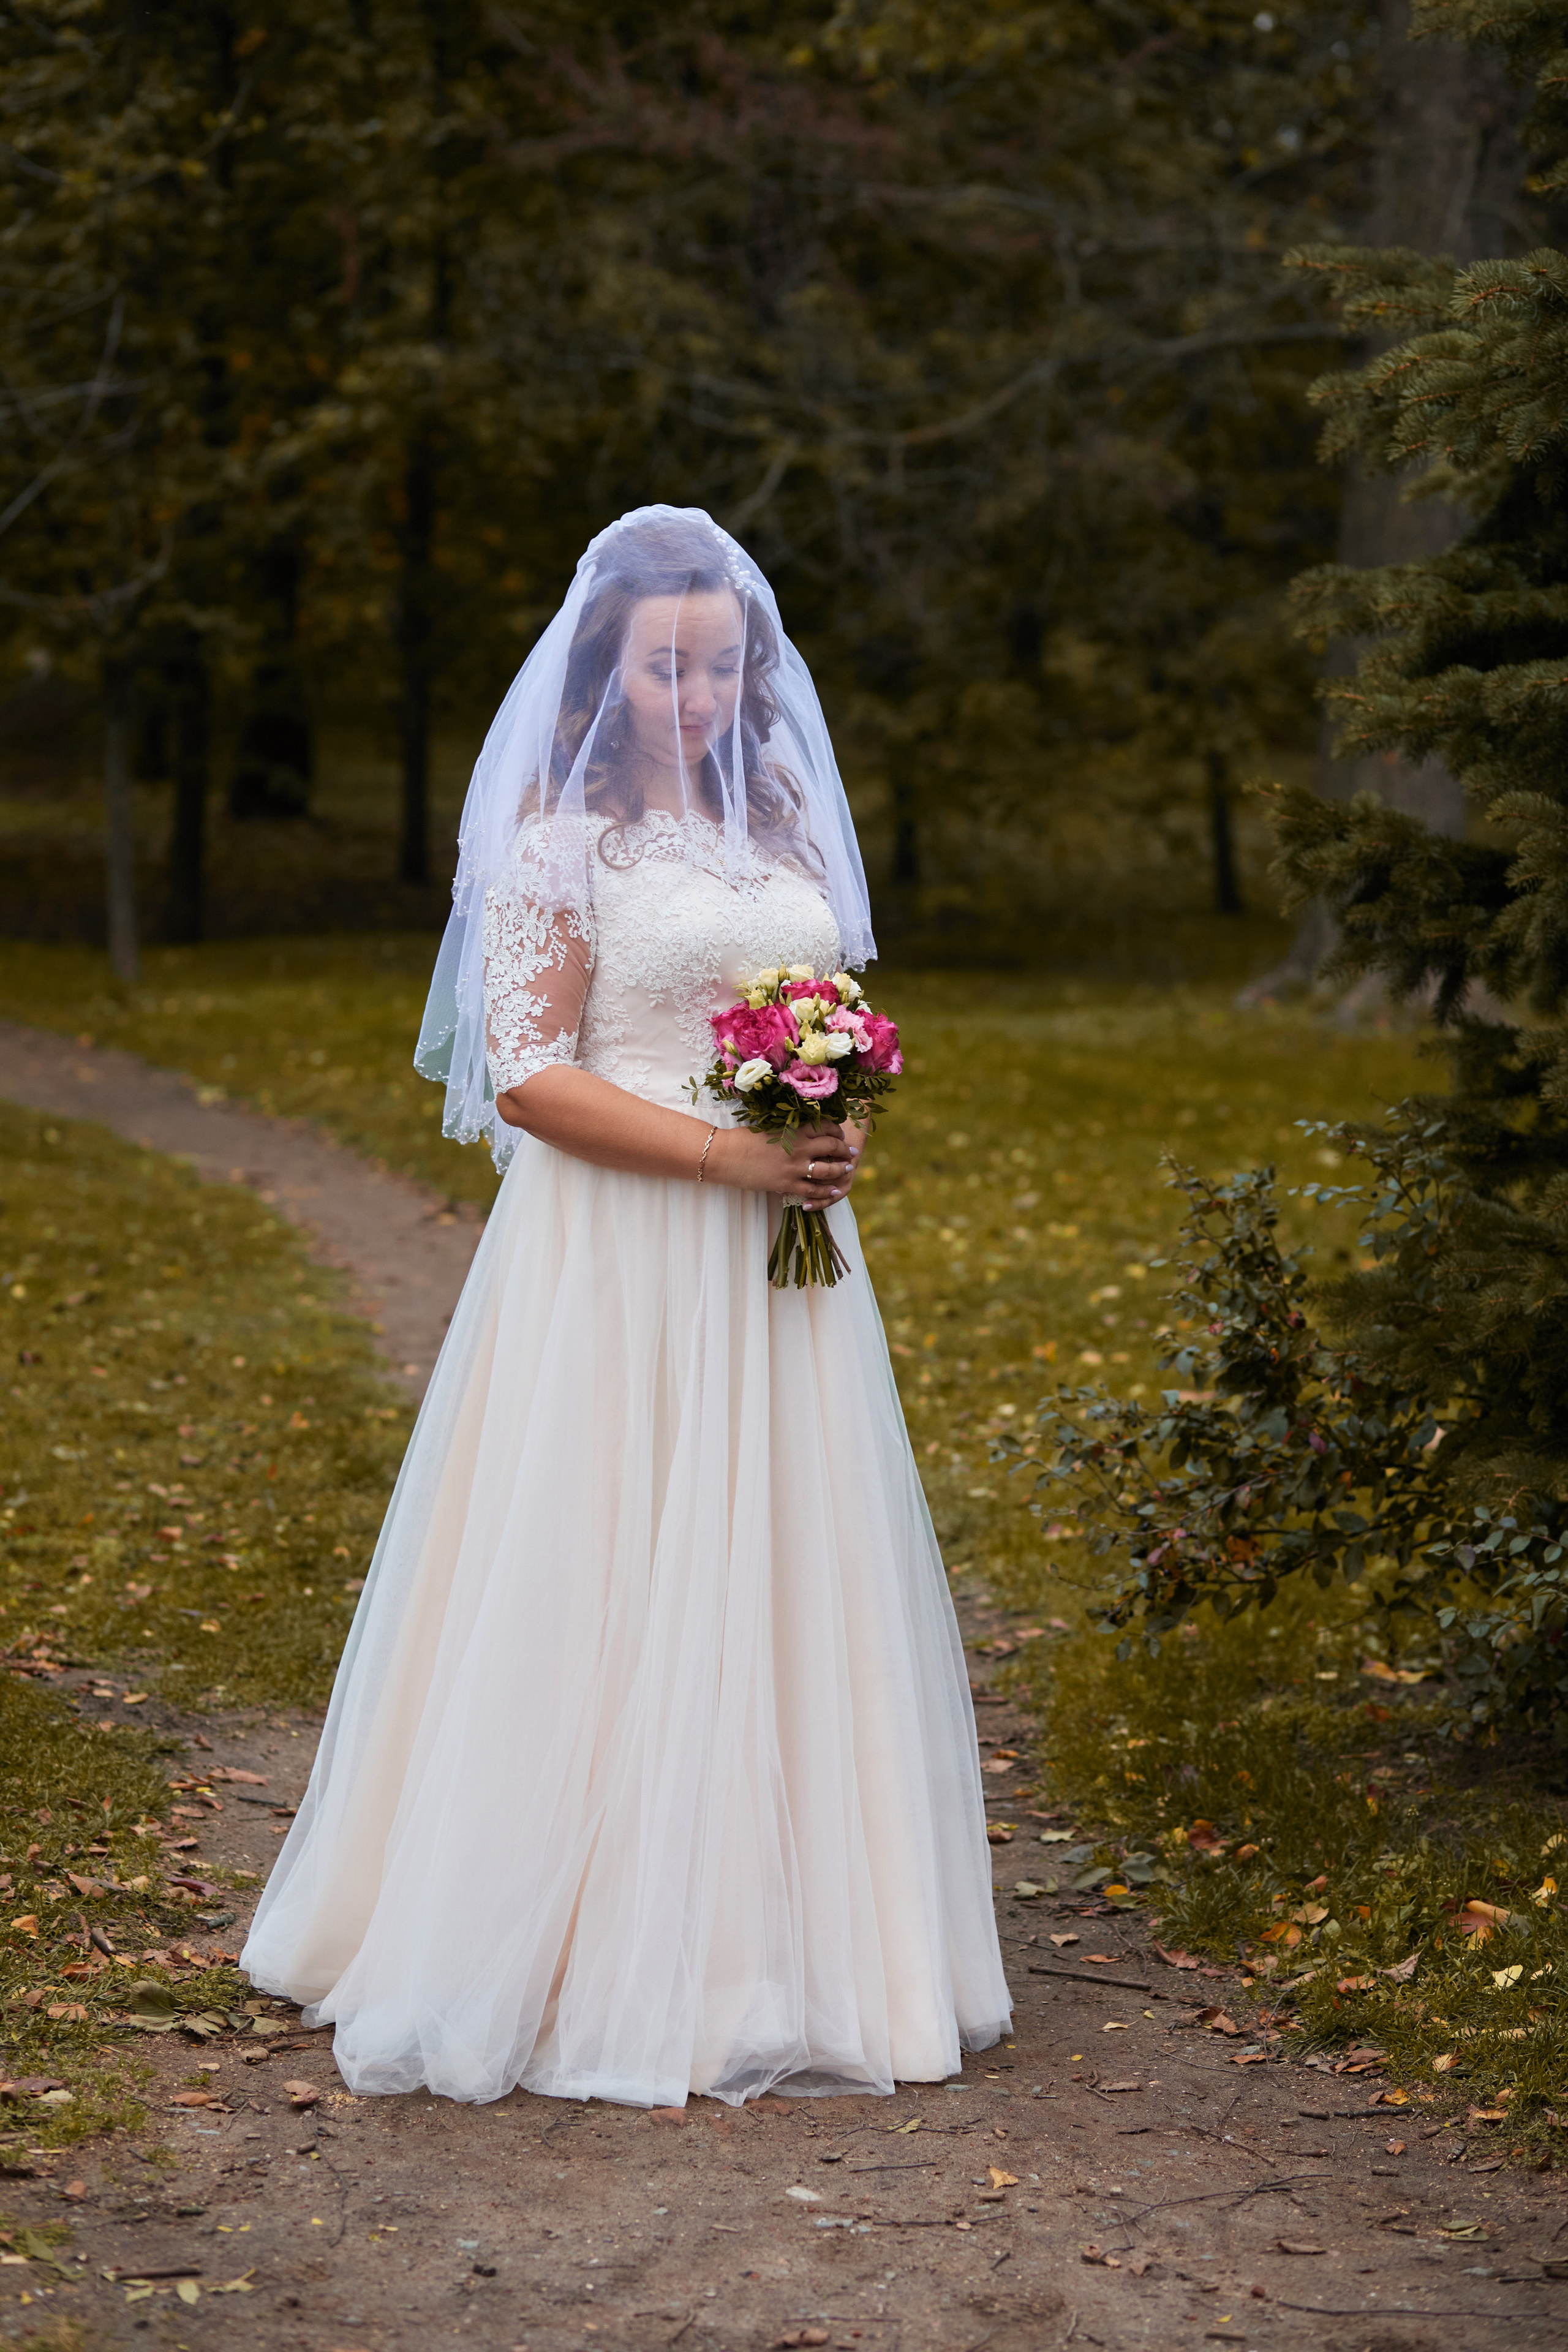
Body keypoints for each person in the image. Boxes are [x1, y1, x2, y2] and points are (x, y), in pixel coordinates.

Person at [242, 505, 1011, 2108]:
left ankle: (790, 1941)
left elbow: (822, 1009)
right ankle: (578, 1936)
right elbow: (529, 1077)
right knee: (611, 1555)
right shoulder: (556, 848)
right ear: (607, 670)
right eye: (667, 668)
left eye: (723, 668)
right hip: (621, 1249)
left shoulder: (783, 833)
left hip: (783, 1262)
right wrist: (731, 1157)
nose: (699, 698)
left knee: (783, 1561)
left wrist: (833, 1121)